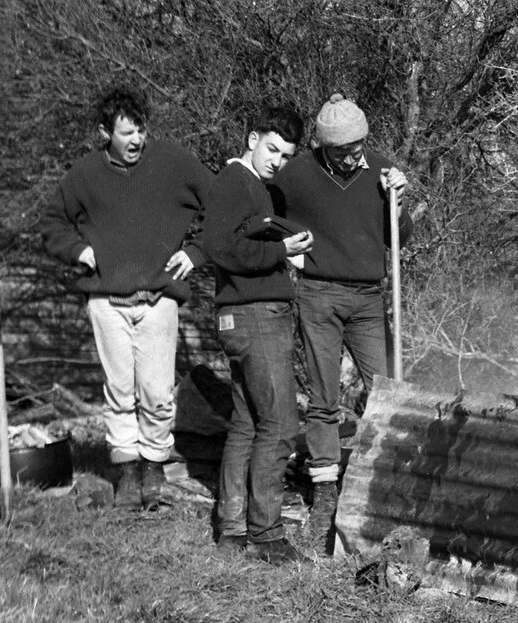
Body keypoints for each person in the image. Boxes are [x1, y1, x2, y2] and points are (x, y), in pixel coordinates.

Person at [41, 85, 212, 511]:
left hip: (158, 299)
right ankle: (128, 473)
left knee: (156, 392)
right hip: (106, 302)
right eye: (126, 133)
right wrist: (80, 251)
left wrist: (196, 252)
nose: (136, 140)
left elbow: (224, 203)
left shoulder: (173, 163)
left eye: (141, 131)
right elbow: (52, 223)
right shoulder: (83, 174)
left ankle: (155, 466)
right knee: (119, 391)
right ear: (105, 133)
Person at [269, 93, 411, 541]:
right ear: (323, 147)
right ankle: (326, 494)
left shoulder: (382, 170)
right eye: (342, 150)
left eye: (359, 147)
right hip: (318, 295)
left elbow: (399, 240)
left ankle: (391, 478)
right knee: (324, 397)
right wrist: (285, 253)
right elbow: (264, 214)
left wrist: (399, 203)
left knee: (388, 389)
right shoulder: (297, 175)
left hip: (369, 299)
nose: (353, 157)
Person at [204, 107, 313, 565]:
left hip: (239, 315)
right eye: (272, 149)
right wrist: (280, 250)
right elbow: (218, 245)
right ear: (252, 138)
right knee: (281, 424)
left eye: (286, 156)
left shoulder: (254, 188)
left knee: (248, 422)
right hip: (255, 316)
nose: (277, 161)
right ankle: (266, 535)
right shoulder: (235, 182)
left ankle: (231, 529)